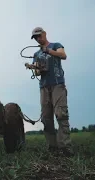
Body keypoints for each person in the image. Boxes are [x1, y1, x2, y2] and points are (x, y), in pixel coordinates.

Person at [26, 27, 74, 157]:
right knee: (46, 118)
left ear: (44, 34)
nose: (37, 38)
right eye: (35, 37)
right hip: (44, 86)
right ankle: (52, 147)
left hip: (57, 84)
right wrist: (35, 68)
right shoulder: (36, 54)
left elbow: (63, 55)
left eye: (39, 36)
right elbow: (37, 72)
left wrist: (48, 50)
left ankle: (65, 147)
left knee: (61, 114)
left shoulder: (56, 45)